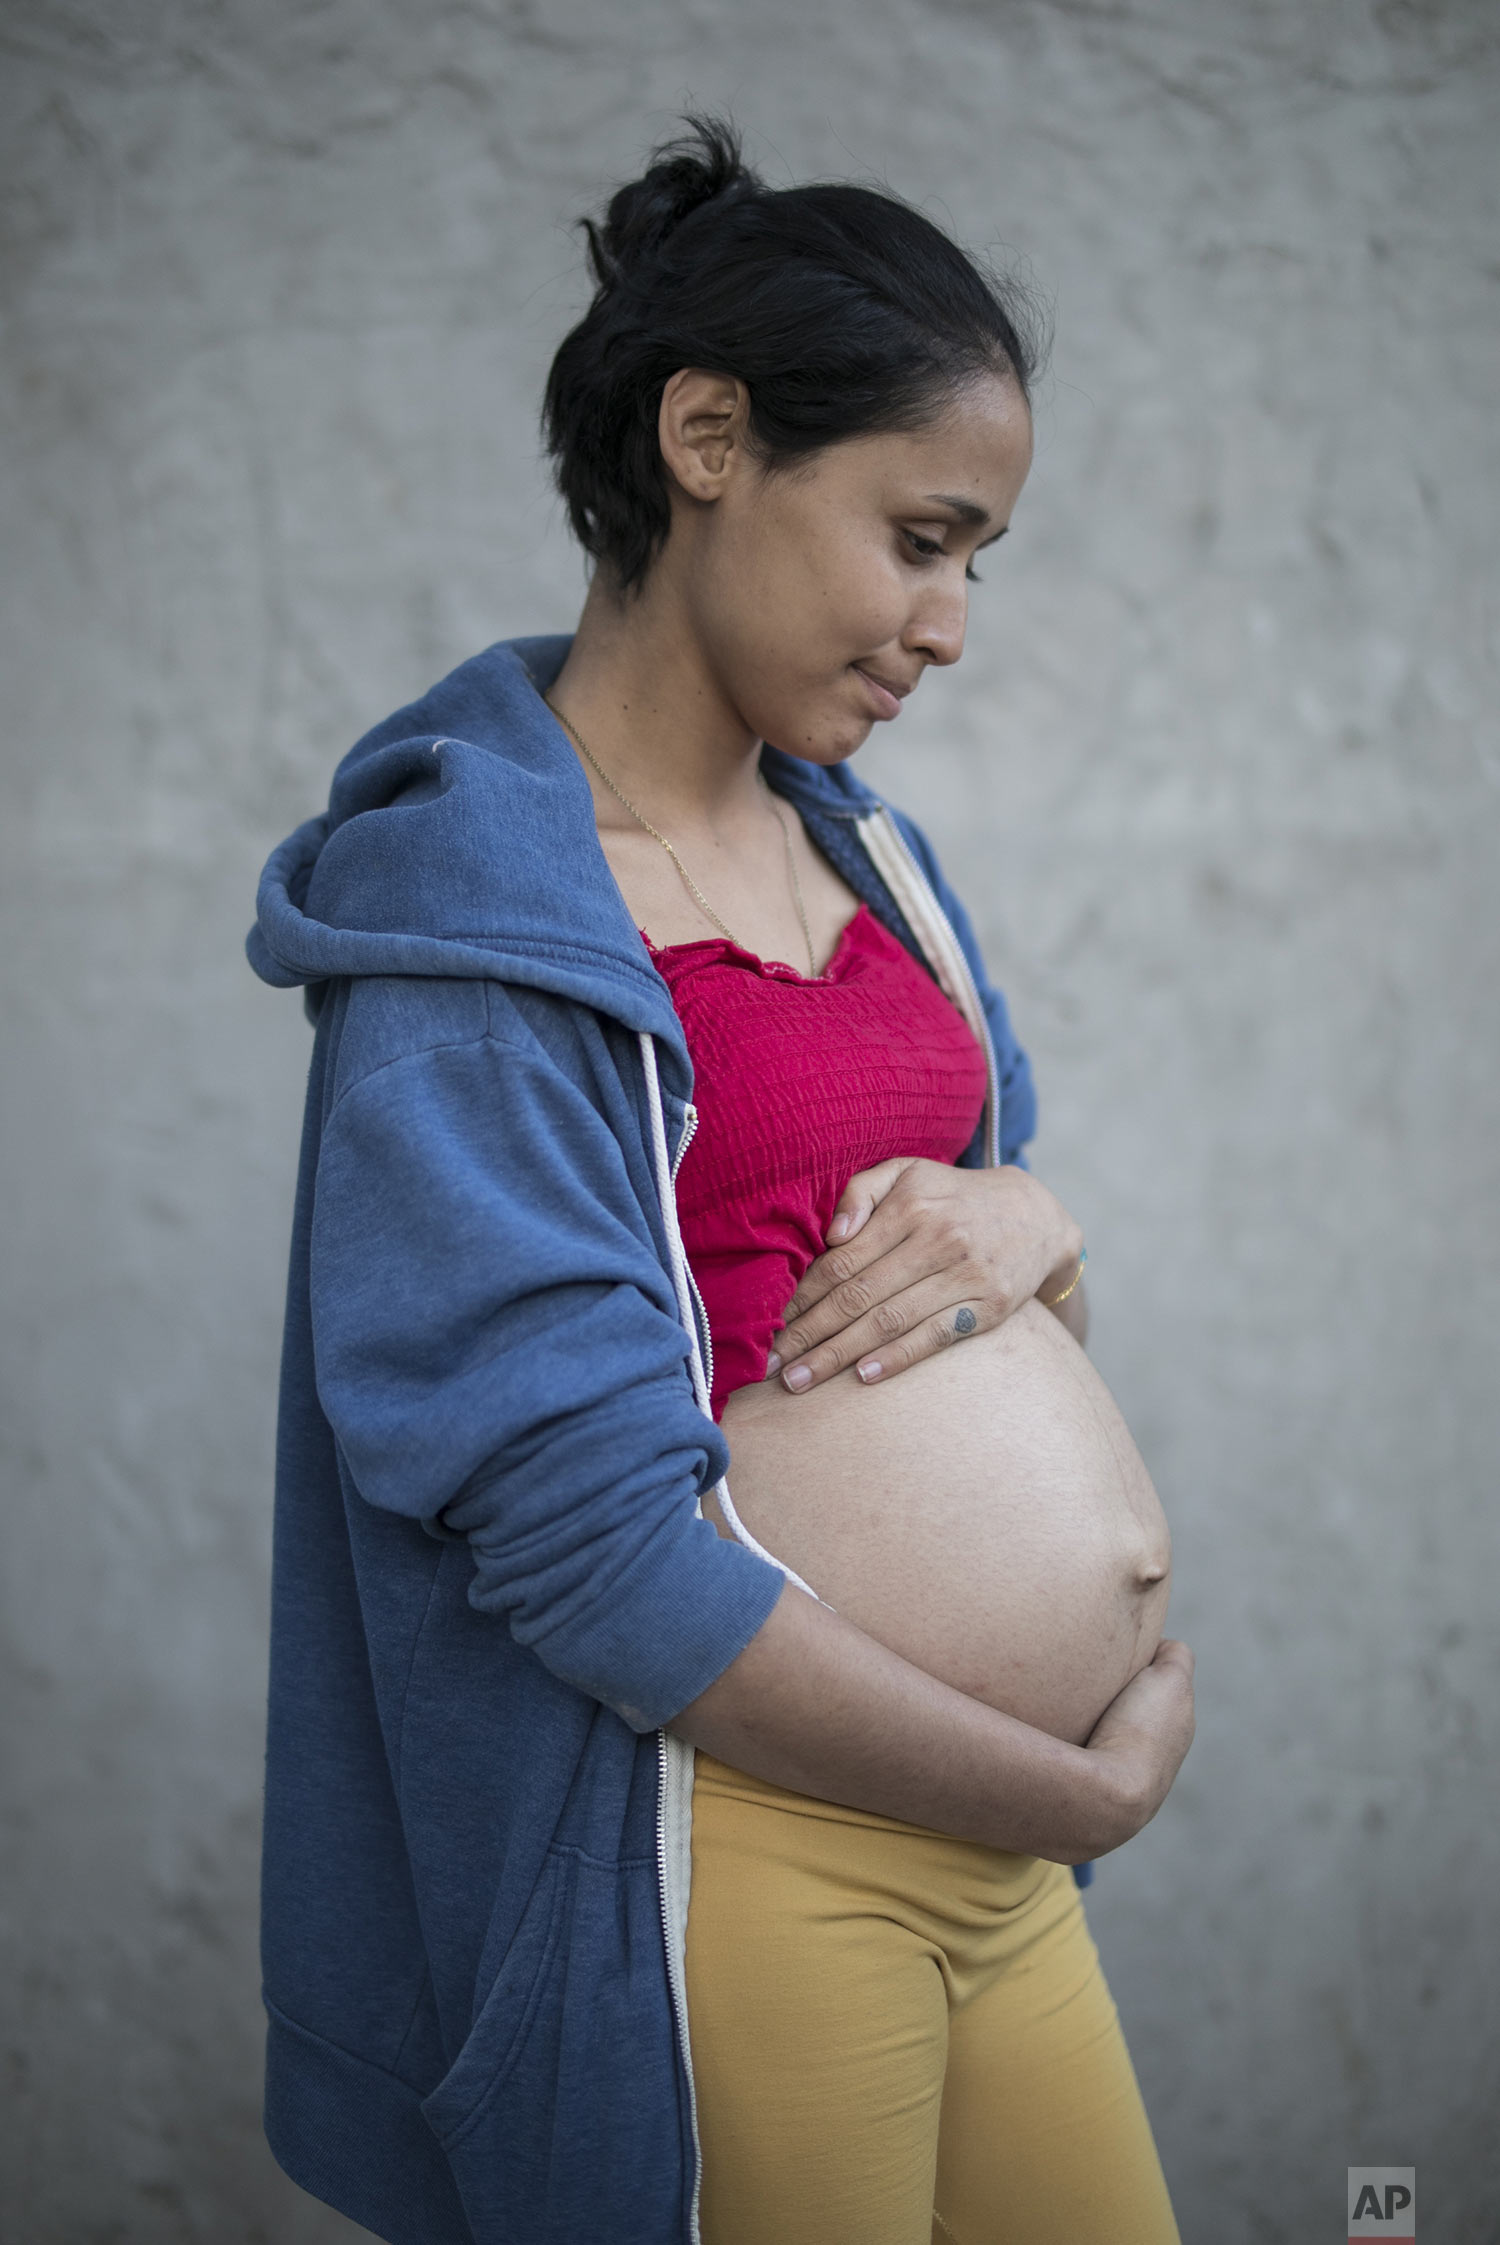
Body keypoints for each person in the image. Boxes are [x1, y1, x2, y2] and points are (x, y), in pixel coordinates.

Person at [248, 116, 1195, 2245]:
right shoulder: (475, 923)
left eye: (983, 562)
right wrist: (1076, 1778)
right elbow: (588, 1559)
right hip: (741, 1862)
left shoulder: (869, 856)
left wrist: (1041, 1225)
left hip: (995, 1858)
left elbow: (975, 1305)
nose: (951, 624)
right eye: (920, 536)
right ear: (707, 438)